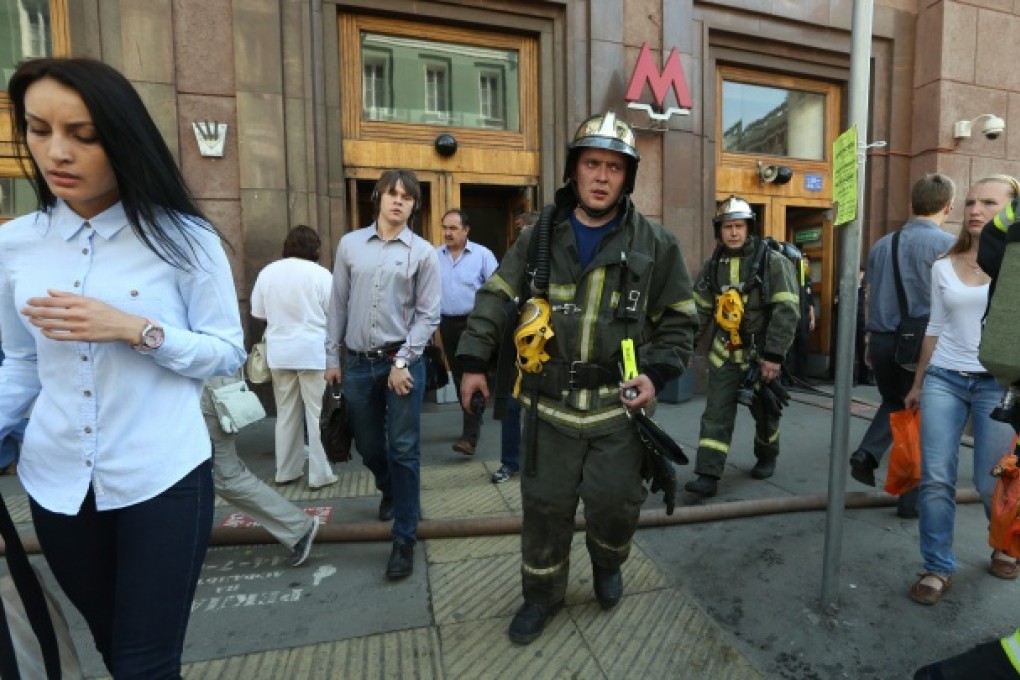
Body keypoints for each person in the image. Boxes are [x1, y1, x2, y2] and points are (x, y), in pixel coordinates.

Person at [0, 58, 246, 677]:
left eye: (83, 135)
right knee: (113, 651)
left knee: (144, 665)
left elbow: (228, 352)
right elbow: (21, 361)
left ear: (122, 136)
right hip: (56, 487)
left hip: (161, 478)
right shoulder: (15, 244)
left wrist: (136, 329)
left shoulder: (183, 238)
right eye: (37, 129)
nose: (56, 152)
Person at [457, 112, 697, 644]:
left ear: (627, 177)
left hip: (618, 410)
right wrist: (473, 362)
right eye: (592, 163)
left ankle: (608, 566)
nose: (602, 176)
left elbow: (682, 318)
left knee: (616, 507)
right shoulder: (540, 236)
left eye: (614, 166)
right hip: (549, 410)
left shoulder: (656, 244)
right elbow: (495, 297)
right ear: (574, 169)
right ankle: (542, 596)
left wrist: (658, 374)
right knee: (545, 512)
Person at [902, 175, 1019, 605]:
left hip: (997, 385)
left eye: (989, 202)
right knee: (935, 478)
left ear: (1011, 209)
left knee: (993, 484)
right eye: (970, 201)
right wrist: (918, 382)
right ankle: (937, 565)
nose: (975, 209)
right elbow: (935, 327)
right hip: (945, 378)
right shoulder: (942, 265)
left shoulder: (1016, 263)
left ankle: (1005, 543)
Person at [325, 169, 441, 581]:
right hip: (356, 363)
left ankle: (404, 537)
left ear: (414, 206)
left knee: (405, 448)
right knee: (370, 444)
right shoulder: (350, 245)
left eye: (406, 197)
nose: (398, 202)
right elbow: (337, 304)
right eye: (392, 194)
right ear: (378, 197)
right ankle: (390, 488)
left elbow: (429, 315)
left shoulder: (423, 253)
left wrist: (402, 361)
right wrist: (331, 358)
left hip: (401, 361)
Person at [849, 173, 957, 518]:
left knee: (896, 402)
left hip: (882, 339)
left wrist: (869, 339)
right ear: (948, 207)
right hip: (924, 343)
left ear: (912, 204)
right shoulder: (951, 246)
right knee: (922, 415)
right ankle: (910, 502)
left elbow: (868, 296)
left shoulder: (881, 245)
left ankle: (868, 451)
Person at [684, 196, 800, 498]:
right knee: (715, 414)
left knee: (766, 414)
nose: (733, 233)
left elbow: (787, 311)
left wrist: (774, 356)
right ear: (718, 231)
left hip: (761, 357)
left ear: (750, 228)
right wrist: (685, 348)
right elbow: (699, 313)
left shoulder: (773, 262)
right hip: (725, 355)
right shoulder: (712, 268)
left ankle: (767, 453)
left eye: (738, 226)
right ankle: (708, 474)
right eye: (727, 227)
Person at [251, 225, 338, 490]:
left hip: (280, 352)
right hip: (312, 350)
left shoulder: (268, 273)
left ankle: (286, 471)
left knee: (286, 413)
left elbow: (258, 312)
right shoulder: (321, 274)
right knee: (316, 414)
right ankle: (320, 474)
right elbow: (334, 313)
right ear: (316, 248)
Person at [201, 376, 321, 568]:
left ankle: (297, 526)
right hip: (205, 393)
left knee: (225, 477)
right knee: (203, 477)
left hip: (203, 394)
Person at [436, 208, 497, 456]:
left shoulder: (482, 255)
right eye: (445, 228)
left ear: (466, 230)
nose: (448, 233)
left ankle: (469, 436)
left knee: (471, 375)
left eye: (453, 228)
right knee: (459, 375)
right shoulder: (433, 256)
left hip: (475, 324)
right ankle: (473, 418)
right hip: (447, 324)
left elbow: (495, 291)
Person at [489, 210, 540, 484]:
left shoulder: (552, 267)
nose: (522, 241)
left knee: (540, 412)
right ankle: (511, 462)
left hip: (543, 353)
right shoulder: (510, 266)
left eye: (527, 235)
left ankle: (541, 464)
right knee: (511, 406)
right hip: (514, 351)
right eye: (520, 235)